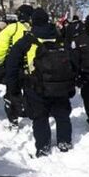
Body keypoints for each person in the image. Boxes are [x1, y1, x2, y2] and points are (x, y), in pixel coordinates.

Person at [5, 8, 75, 157]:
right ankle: (64, 142)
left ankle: (43, 146)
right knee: (62, 114)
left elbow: (11, 64)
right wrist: (71, 83)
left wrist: (13, 88)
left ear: (32, 22)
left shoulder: (27, 39)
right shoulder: (58, 36)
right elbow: (72, 60)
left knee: (40, 117)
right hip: (60, 84)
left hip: (36, 85)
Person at [0, 4, 34, 129]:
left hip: (14, 67)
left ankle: (13, 118)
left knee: (12, 92)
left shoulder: (12, 28)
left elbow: (1, 45)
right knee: (30, 92)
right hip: (31, 67)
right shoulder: (35, 29)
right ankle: (30, 113)